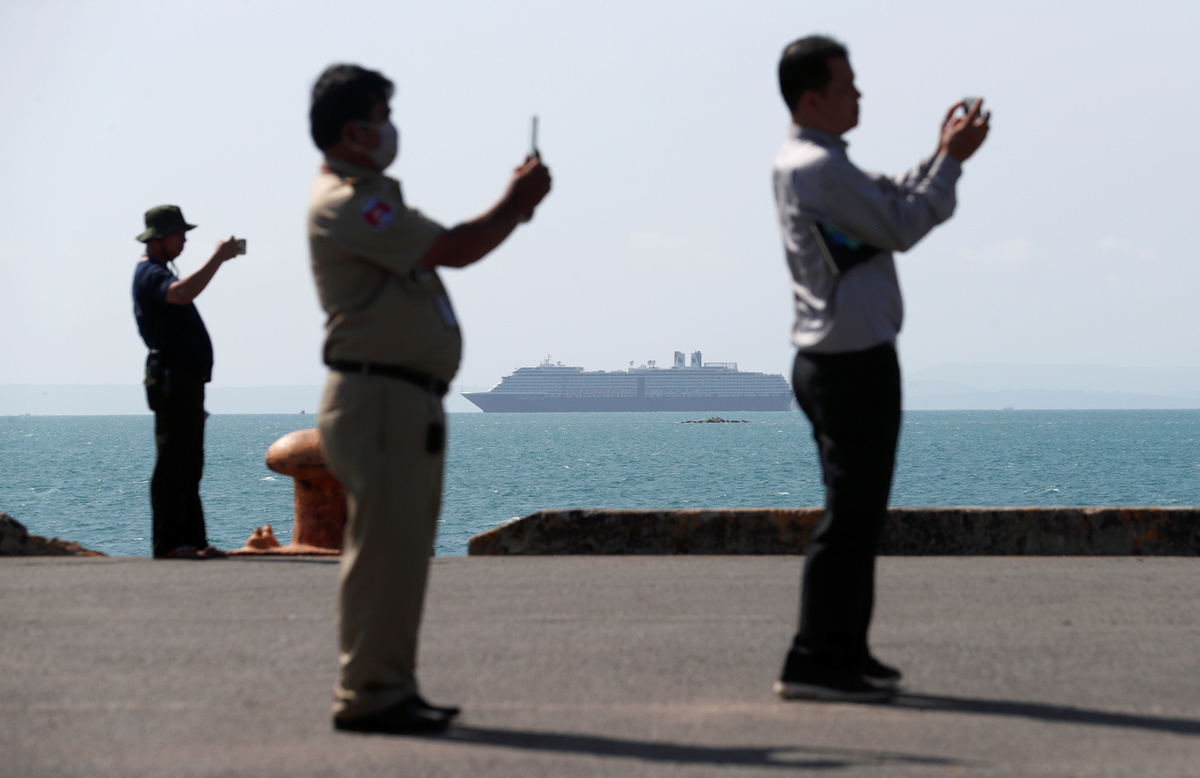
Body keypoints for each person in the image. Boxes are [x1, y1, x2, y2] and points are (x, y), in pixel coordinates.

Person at [306, 64, 551, 734]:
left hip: (402, 398)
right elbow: (455, 248)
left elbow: (451, 247)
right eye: (381, 116)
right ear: (353, 131)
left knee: (402, 555)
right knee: (383, 554)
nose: (391, 128)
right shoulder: (350, 203)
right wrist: (516, 201)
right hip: (380, 396)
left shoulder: (374, 200)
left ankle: (391, 685)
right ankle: (368, 692)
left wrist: (514, 208)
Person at [771, 36, 989, 701]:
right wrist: (951, 163)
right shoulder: (820, 169)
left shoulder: (814, 164)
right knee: (851, 515)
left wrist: (938, 156)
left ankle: (845, 649)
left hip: (833, 358)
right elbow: (902, 222)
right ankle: (813, 658)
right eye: (847, 86)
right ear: (813, 99)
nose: (859, 95)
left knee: (860, 513)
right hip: (850, 363)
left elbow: (884, 198)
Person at [131, 205, 241, 560]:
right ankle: (168, 544)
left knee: (190, 463)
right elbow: (180, 293)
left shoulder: (159, 271)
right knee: (173, 462)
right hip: (171, 379)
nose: (184, 240)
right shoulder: (149, 273)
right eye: (179, 234)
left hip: (185, 381)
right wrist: (218, 258)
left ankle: (193, 541)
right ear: (160, 238)